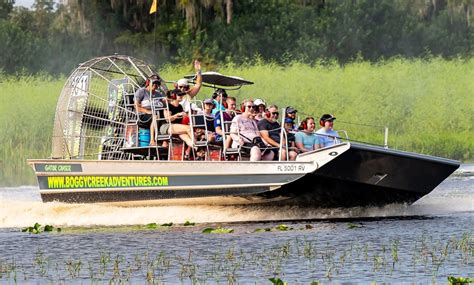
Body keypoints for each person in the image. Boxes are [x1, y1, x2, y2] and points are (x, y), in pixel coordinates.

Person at [160, 89, 194, 157]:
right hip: (166, 126)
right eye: (179, 95)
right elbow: (167, 119)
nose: (181, 96)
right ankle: (195, 147)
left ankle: (196, 148)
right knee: (189, 129)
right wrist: (177, 115)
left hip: (176, 127)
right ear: (174, 96)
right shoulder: (168, 105)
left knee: (188, 136)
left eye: (182, 95)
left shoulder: (180, 106)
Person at [134, 75, 166, 146]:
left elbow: (164, 104)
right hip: (144, 115)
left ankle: (165, 141)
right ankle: (152, 141)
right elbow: (136, 106)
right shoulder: (142, 91)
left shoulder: (159, 94)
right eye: (154, 83)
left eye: (157, 83)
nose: (155, 85)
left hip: (157, 114)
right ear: (148, 82)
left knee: (166, 116)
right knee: (155, 116)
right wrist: (147, 111)